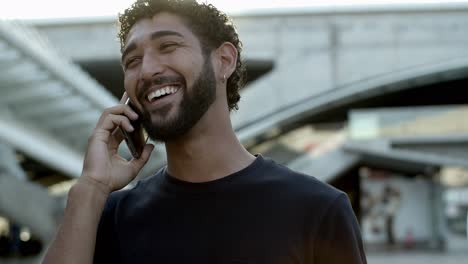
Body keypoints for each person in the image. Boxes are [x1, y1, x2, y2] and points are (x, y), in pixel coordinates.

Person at [43, 0, 367, 263]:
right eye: (132, 60)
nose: (148, 69)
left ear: (223, 61)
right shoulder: (111, 217)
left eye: (168, 46)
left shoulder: (316, 210)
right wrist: (90, 187)